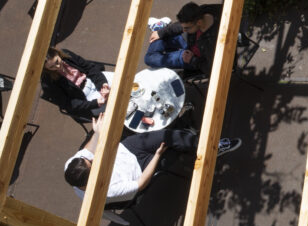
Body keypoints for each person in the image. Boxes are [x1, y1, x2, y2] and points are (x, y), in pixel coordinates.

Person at [63, 113, 241, 204]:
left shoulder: (72, 166)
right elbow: (140, 183)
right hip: (141, 169)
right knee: (172, 151)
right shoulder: (105, 191)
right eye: (92, 166)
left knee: (168, 136)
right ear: (87, 183)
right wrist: (156, 156)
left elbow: (87, 151)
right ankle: (195, 141)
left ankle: (211, 147)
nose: (94, 161)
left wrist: (97, 133)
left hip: (128, 148)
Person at [145, 2, 221, 74]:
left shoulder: (212, 44)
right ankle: (159, 28)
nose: (184, 30)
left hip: (190, 56)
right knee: (160, 38)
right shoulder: (205, 10)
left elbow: (212, 69)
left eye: (187, 28)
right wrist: (161, 32)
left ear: (199, 23)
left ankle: (158, 27)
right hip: (189, 40)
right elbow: (181, 26)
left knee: (149, 58)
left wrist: (192, 60)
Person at [41, 47, 112, 120]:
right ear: (46, 69)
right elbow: (69, 104)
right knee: (112, 103)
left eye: (57, 61)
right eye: (51, 67)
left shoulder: (66, 55)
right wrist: (95, 103)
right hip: (85, 101)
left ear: (57, 53)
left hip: (92, 81)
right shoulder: (48, 81)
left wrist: (103, 85)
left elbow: (89, 68)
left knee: (118, 83)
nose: (57, 66)